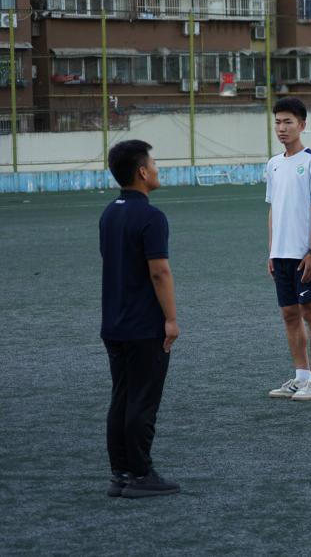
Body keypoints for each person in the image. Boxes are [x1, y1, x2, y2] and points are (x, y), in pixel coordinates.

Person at [99, 140, 180, 498]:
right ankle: (141, 474)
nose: (158, 169)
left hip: (113, 323)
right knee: (143, 401)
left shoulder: (108, 213)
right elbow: (159, 272)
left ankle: (120, 473)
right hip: (144, 325)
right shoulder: (151, 217)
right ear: (143, 172)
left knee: (121, 397)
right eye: (154, 164)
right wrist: (171, 320)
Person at [265, 97, 311, 401]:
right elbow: (272, 209)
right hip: (281, 254)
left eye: (288, 122)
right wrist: (271, 251)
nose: (282, 128)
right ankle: (300, 376)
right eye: (278, 122)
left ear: (302, 125)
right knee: (289, 314)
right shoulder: (274, 164)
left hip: (304, 254)